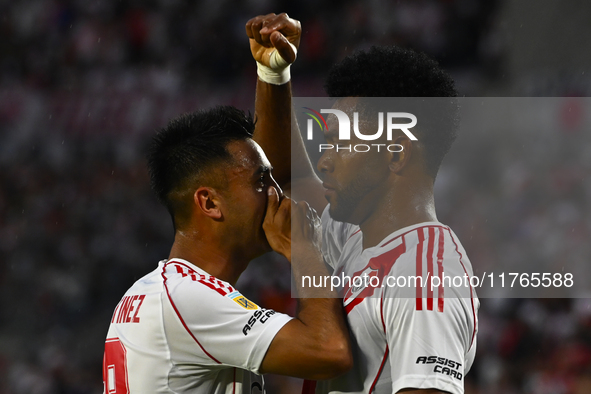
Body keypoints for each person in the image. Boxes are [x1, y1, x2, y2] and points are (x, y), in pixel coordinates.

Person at [246, 13, 479, 394]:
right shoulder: (356, 233)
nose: (324, 159)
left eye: (339, 141)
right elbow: (286, 179)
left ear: (396, 154)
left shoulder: (423, 278)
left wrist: (304, 258)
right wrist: (273, 75)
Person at [102, 105, 352, 393]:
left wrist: (272, 74)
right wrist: (305, 250)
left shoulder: (157, 292)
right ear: (209, 203)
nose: (277, 192)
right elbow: (330, 351)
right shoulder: (187, 298)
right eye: (261, 181)